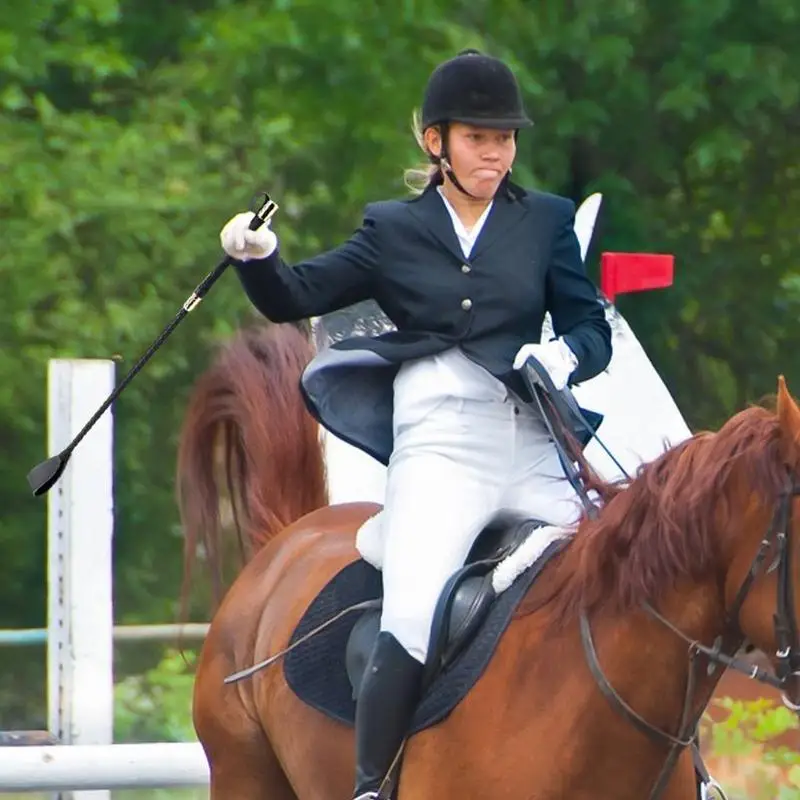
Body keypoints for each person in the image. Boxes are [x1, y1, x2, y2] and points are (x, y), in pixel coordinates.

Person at [219, 48, 612, 800]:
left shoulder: (546, 222)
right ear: (437, 143)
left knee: (614, 581)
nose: (496, 151)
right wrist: (258, 257)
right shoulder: (394, 229)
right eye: (478, 138)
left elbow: (589, 327)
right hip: (441, 449)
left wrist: (564, 355)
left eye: (505, 138)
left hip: (529, 441)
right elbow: (295, 295)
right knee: (413, 604)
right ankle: (374, 784)